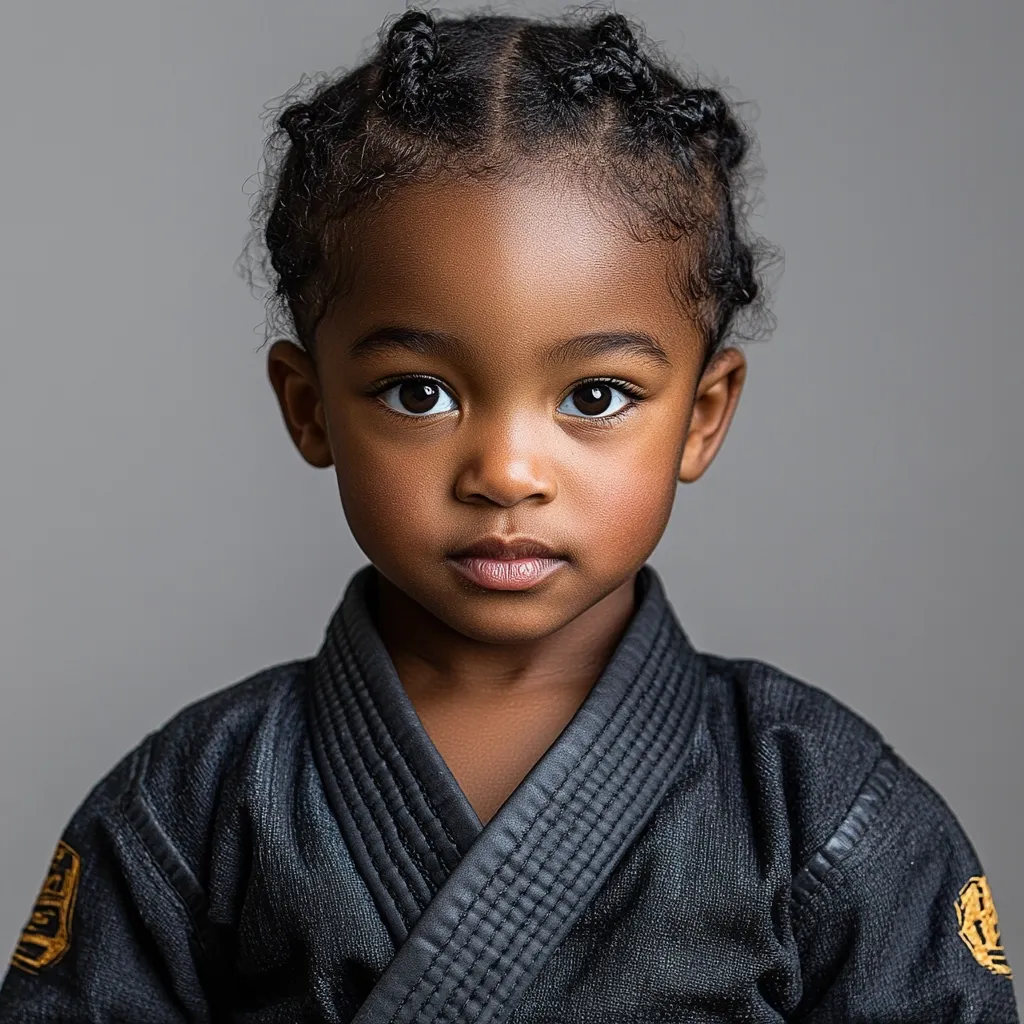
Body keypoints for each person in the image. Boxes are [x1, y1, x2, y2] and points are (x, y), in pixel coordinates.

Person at [0, 6, 1017, 1022]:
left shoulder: (817, 802)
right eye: (419, 394)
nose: (505, 472)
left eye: (595, 397)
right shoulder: (195, 800)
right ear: (309, 408)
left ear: (702, 417)